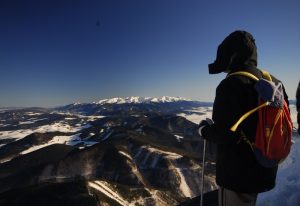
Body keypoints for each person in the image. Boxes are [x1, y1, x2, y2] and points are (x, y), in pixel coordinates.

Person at [198, 30, 289, 206]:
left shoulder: (231, 84)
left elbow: (226, 134)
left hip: (238, 175)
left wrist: (204, 130)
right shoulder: (275, 82)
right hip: (267, 167)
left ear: (231, 56)